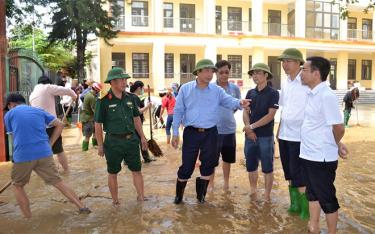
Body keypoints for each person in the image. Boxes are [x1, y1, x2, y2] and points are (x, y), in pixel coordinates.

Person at [172, 59, 250, 204]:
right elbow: (178, 111)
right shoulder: (185, 89)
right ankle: (179, 197)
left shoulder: (216, 90)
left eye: (212, 71)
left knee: (208, 165)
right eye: (207, 71)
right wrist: (175, 132)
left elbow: (229, 101)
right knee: (187, 166)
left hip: (211, 133)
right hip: (191, 133)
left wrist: (240, 103)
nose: (210, 74)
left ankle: (201, 197)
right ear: (198, 72)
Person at [4, 93, 91, 218]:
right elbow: (60, 124)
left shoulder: (9, 114)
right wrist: (49, 144)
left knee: (17, 186)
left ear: (10, 105)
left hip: (23, 155)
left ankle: (28, 219)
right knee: (58, 182)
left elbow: (14, 138)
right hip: (44, 152)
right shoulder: (39, 111)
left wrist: (17, 160)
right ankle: (82, 206)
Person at [300, 56, 348, 234]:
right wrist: (338, 142)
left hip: (321, 157)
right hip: (308, 154)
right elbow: (322, 126)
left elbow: (339, 127)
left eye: (304, 70)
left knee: (327, 198)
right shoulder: (312, 93)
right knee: (312, 193)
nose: (301, 73)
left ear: (316, 73)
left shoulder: (326, 95)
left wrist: (335, 143)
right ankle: (314, 227)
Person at [94, 67, 149, 206]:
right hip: (113, 142)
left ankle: (141, 197)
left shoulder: (131, 98)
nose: (125, 82)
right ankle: (115, 201)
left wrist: (142, 137)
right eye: (121, 79)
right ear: (112, 82)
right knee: (113, 172)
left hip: (131, 140)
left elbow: (136, 119)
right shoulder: (103, 101)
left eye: (125, 79)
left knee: (137, 170)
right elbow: (98, 125)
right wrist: (100, 145)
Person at [277, 48, 310, 219]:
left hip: (300, 137)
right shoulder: (285, 82)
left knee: (300, 174)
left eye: (288, 61)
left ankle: (306, 209)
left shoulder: (306, 81)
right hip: (284, 135)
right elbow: (284, 108)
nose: (284, 64)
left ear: (299, 63)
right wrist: (278, 130)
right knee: (289, 172)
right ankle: (295, 204)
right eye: (283, 61)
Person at [243, 63, 279, 201]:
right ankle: (253, 191)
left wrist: (251, 127)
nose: (255, 76)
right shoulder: (250, 93)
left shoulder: (273, 93)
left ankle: (267, 195)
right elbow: (245, 112)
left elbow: (270, 115)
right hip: (250, 136)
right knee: (251, 165)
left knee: (267, 167)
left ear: (266, 75)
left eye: (258, 73)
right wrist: (248, 128)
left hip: (266, 136)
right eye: (253, 73)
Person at [29, 75, 77, 173]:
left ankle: (45, 171)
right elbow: (66, 90)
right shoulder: (47, 87)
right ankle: (67, 171)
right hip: (52, 126)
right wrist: (74, 96)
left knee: (42, 152)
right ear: (48, 82)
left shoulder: (32, 94)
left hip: (38, 128)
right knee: (59, 150)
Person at [208, 60, 241, 191]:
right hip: (213, 130)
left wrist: (226, 114)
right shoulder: (210, 88)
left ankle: (226, 184)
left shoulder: (235, 88)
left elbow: (236, 105)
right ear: (216, 73)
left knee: (227, 160)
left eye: (226, 72)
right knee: (211, 160)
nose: (224, 75)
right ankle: (210, 185)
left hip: (229, 130)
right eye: (221, 72)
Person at [130, 81, 155, 163]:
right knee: (142, 139)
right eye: (142, 88)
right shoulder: (135, 97)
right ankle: (146, 158)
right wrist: (148, 106)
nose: (143, 90)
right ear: (138, 88)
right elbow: (138, 111)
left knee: (134, 140)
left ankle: (128, 160)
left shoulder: (130, 96)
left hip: (132, 123)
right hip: (136, 123)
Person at [80, 82, 103, 151]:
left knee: (95, 133)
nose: (99, 92)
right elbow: (95, 111)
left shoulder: (88, 93)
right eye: (99, 90)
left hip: (89, 118)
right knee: (87, 136)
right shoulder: (91, 97)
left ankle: (95, 146)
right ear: (96, 89)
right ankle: (84, 150)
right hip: (88, 119)